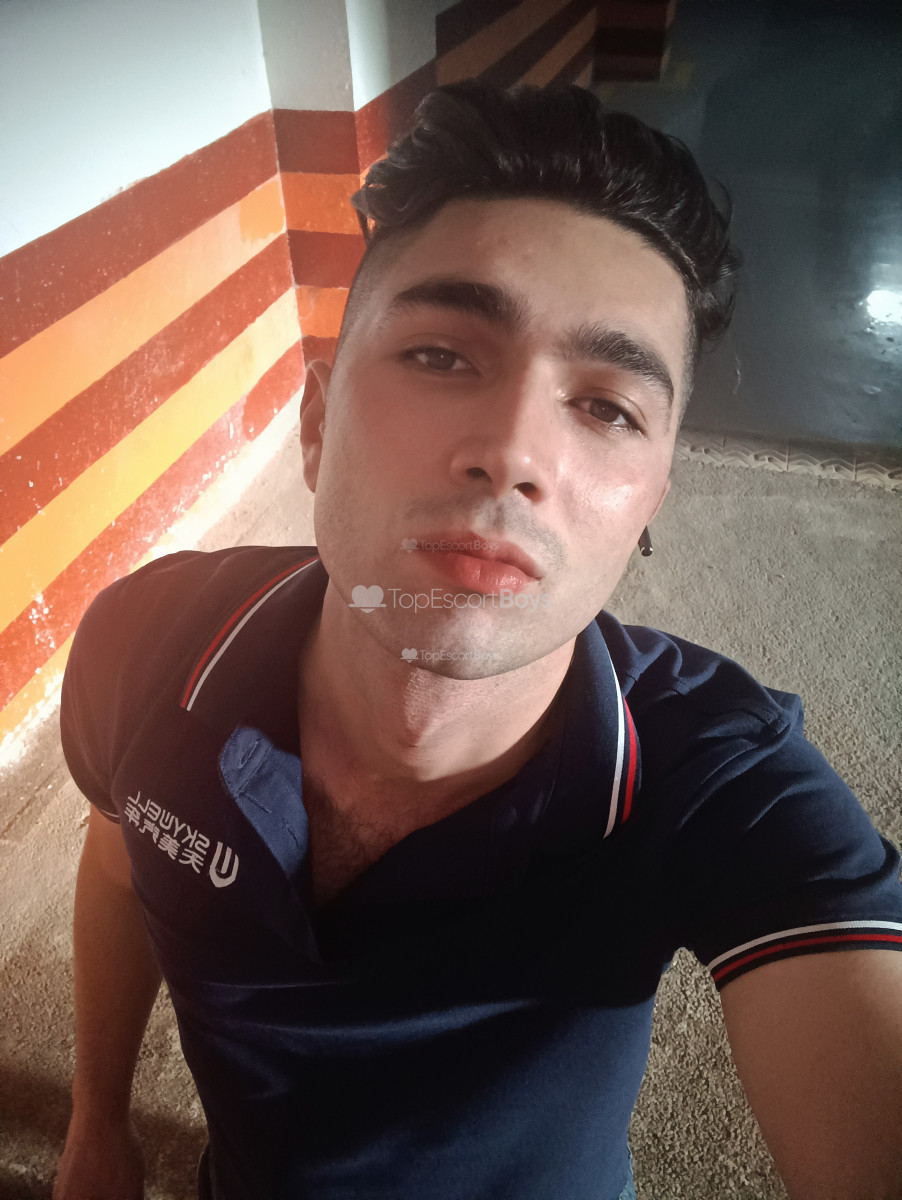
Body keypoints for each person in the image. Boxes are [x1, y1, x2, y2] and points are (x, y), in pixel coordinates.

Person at [54, 81, 902, 1200]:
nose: (511, 451)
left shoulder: (718, 781)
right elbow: (120, 863)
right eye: (442, 356)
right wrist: (95, 1122)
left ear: (648, 503)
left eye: (606, 407)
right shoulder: (145, 641)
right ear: (316, 424)